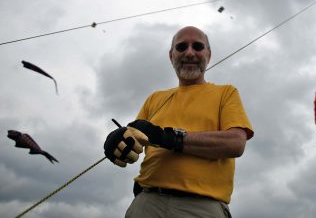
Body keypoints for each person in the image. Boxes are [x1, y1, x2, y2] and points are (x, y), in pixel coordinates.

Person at [104, 26, 254, 218]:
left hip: (200, 207)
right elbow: (133, 140)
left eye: (198, 46)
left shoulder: (226, 93)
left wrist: (168, 137)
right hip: (146, 203)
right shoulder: (154, 98)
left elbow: (235, 143)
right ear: (171, 55)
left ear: (208, 54)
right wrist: (115, 142)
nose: (189, 52)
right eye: (181, 47)